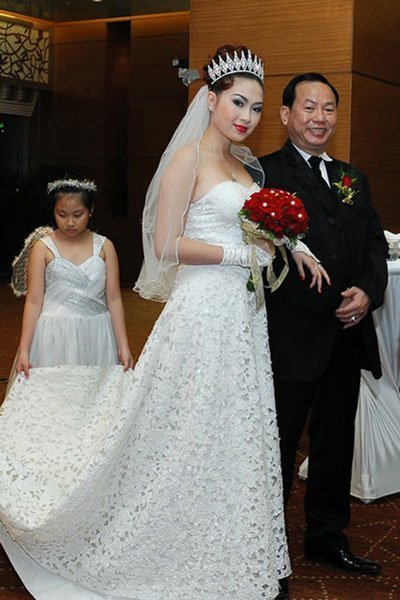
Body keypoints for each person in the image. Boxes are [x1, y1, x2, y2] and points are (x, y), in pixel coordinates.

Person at [0, 48, 325, 600]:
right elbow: (166, 244)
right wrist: (235, 256)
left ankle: (227, 541)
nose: (246, 116)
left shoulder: (246, 167)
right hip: (201, 310)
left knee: (233, 424)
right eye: (237, 102)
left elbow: (257, 228)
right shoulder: (186, 161)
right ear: (211, 100)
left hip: (242, 314)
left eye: (256, 107)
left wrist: (290, 245)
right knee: (188, 425)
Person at [258, 73, 388, 590]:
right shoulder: (263, 173)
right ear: (285, 114)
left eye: (328, 108)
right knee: (280, 444)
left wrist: (368, 293)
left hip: (347, 334)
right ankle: (266, 549)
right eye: (308, 107)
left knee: (335, 442)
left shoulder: (353, 178)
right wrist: (329, 302)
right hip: (292, 334)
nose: (319, 117)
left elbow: (373, 243)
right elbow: (265, 256)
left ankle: (328, 538)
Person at [11, 177, 134, 377]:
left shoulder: (105, 247)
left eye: (78, 214)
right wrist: (24, 349)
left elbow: (113, 298)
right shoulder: (42, 248)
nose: (70, 222)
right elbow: (33, 301)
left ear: (91, 210)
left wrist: (123, 345)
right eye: (62, 215)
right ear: (53, 211)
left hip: (96, 332)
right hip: (53, 334)